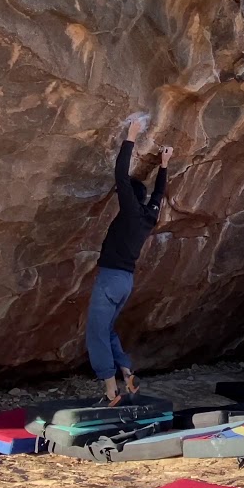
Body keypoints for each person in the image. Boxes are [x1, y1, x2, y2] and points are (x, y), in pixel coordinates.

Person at [86, 117, 172, 405]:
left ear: (130, 199)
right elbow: (159, 193)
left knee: (96, 333)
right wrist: (164, 166)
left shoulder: (131, 211)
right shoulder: (149, 216)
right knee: (108, 329)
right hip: (125, 281)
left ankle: (110, 389)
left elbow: (121, 176)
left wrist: (131, 136)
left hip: (110, 278)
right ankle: (126, 371)